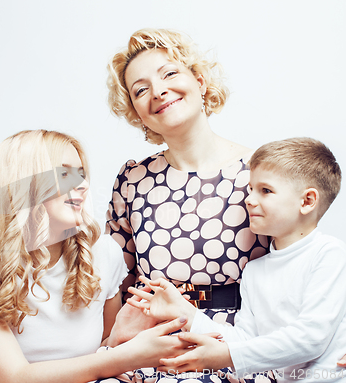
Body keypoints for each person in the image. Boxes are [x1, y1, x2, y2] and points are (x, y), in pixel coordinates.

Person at [99, 28, 275, 383]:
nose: (158, 91)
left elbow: (296, 265)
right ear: (136, 112)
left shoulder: (262, 170)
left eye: (169, 74)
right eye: (140, 89)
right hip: (148, 344)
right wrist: (112, 348)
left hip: (233, 343)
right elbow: (117, 282)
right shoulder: (133, 179)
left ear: (199, 81)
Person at [0, 130, 190, 383]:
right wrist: (127, 356)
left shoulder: (104, 253)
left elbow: (102, 355)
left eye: (81, 174)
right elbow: (16, 377)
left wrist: (117, 340)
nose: (82, 185)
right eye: (64, 174)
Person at [129, 137, 346, 383]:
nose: (250, 199)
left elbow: (310, 338)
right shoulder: (254, 271)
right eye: (251, 189)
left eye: (265, 190)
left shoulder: (329, 254)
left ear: (307, 201)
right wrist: (186, 313)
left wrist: (227, 356)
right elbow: (244, 338)